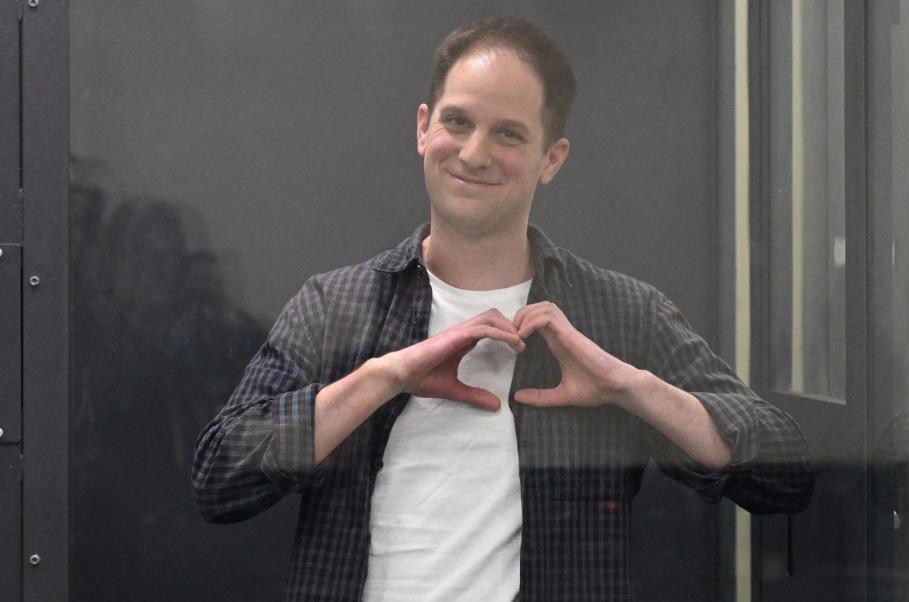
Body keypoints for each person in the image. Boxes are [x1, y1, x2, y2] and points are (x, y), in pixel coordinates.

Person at [193, 16, 812, 601]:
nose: (474, 152)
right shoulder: (338, 305)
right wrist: (385, 377)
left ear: (552, 159)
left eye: (509, 133)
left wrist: (628, 386)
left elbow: (784, 475)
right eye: (457, 121)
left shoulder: (622, 314)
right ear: (422, 127)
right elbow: (221, 478)